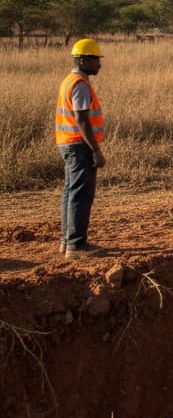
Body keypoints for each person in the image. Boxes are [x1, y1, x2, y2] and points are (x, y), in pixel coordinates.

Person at [56, 39, 107, 259]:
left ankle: (67, 241)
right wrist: (95, 149)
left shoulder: (70, 80)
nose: (99, 64)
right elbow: (82, 119)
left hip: (68, 142)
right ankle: (76, 246)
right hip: (79, 144)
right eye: (95, 59)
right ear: (82, 60)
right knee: (81, 194)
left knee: (70, 192)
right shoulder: (80, 85)